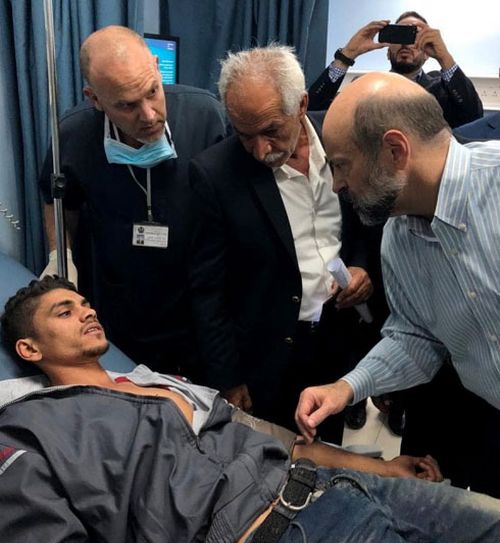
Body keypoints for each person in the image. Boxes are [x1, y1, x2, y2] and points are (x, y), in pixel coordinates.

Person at [4, 276, 500, 543]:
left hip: (334, 486)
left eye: (85, 304)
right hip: (279, 537)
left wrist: (381, 469)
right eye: (65, 312)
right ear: (29, 349)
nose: (87, 313)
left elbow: (274, 439)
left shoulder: (158, 383)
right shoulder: (29, 431)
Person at [295, 71, 500, 498]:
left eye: (341, 165)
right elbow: (416, 337)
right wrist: (345, 387)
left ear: (394, 150)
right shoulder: (398, 237)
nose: (337, 185)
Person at [188, 45, 374, 443]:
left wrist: (361, 268)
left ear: (302, 104)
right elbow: (208, 290)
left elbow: (367, 225)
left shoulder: (344, 141)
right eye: (244, 134)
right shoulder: (214, 175)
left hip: (337, 339)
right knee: (270, 464)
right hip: (267, 355)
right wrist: (228, 377)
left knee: (329, 457)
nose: (260, 150)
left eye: (272, 130)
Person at [39, 26, 228, 378]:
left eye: (152, 92)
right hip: (121, 303)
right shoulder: (74, 136)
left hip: (198, 304)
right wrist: (58, 255)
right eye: (126, 106)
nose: (149, 115)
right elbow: (58, 200)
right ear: (94, 99)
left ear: (157, 67)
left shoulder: (207, 116)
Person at [308, 11, 483, 129]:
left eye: (415, 36)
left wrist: (445, 57)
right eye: (400, 35)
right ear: (388, 50)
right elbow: (313, 110)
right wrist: (347, 55)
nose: (406, 43)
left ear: (427, 52)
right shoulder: (364, 87)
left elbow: (474, 117)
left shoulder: (443, 90)